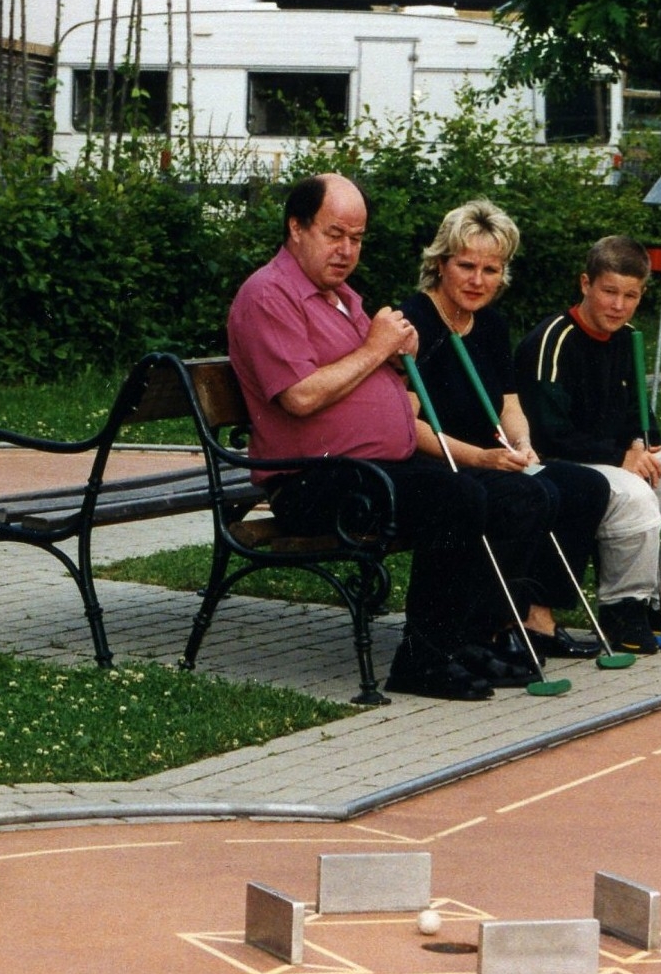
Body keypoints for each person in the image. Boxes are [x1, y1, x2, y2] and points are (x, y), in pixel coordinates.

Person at [227, 173, 558, 701]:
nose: (346, 250)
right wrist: (377, 348)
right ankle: (422, 661)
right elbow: (300, 397)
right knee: (455, 496)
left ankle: (467, 640)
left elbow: (374, 375)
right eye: (334, 234)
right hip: (312, 480)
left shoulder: (341, 298)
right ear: (296, 228)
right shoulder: (269, 295)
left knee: (518, 495)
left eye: (356, 239)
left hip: (372, 467)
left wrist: (397, 357)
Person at [398, 200, 612, 665]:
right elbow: (406, 425)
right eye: (466, 266)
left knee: (585, 487)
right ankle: (489, 626)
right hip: (440, 460)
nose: (478, 280)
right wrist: (482, 458)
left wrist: (523, 444)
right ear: (440, 264)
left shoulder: (491, 324)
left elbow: (509, 401)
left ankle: (535, 617)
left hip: (490, 456)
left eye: (490, 270)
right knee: (525, 497)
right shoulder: (414, 322)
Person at [513, 235, 661, 655]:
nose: (618, 305)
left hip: (616, 459)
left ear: (641, 295)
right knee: (634, 492)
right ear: (586, 284)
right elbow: (548, 433)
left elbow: (643, 421)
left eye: (629, 296)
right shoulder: (553, 340)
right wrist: (621, 457)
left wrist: (640, 448)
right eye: (609, 292)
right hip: (563, 467)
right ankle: (622, 607)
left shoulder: (628, 338)